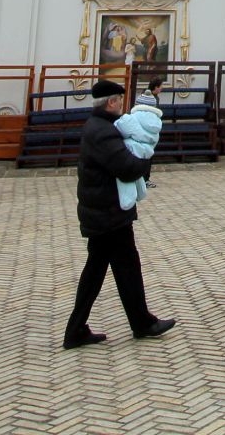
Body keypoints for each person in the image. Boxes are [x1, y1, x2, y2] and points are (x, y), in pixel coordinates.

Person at [64, 80, 174, 348]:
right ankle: (142, 323)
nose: (123, 106)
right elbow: (126, 167)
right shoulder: (103, 131)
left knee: (100, 270)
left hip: (104, 211)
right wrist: (147, 155)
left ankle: (78, 330)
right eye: (120, 101)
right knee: (125, 267)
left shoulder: (100, 126)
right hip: (108, 213)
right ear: (111, 102)